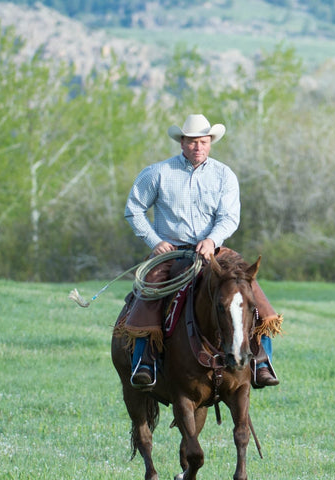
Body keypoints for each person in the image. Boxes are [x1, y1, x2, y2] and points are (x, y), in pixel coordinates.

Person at [116, 113, 282, 390]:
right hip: (171, 250)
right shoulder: (157, 173)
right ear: (181, 142)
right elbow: (133, 210)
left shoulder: (224, 175)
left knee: (249, 291)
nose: (197, 147)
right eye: (192, 142)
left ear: (210, 142)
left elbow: (229, 217)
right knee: (150, 291)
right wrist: (155, 241)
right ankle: (144, 362)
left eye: (203, 142)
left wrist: (212, 239)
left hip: (213, 250)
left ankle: (261, 361)